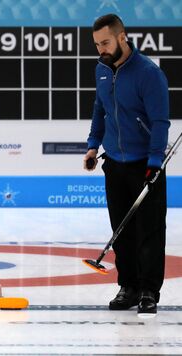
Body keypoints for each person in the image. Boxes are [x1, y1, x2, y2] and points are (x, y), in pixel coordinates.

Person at [83, 14, 170, 316]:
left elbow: (159, 121)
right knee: (121, 230)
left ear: (122, 37)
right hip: (115, 164)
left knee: (149, 231)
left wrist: (155, 160)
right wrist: (93, 145)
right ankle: (129, 287)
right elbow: (100, 108)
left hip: (145, 165)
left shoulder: (148, 73)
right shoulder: (102, 71)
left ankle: (148, 291)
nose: (101, 49)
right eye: (97, 45)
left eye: (105, 42)